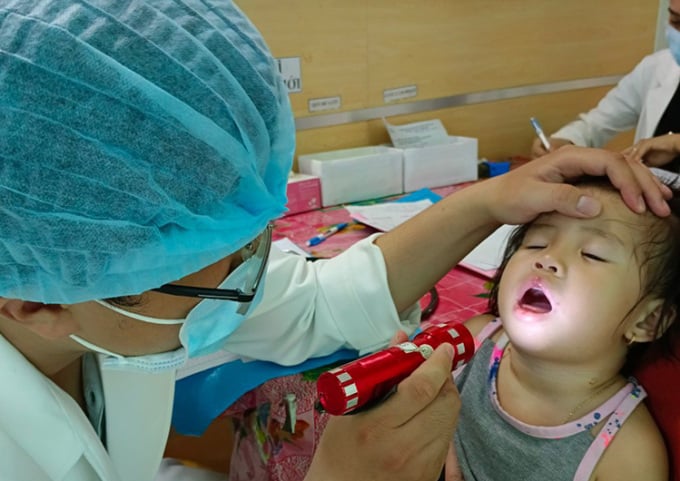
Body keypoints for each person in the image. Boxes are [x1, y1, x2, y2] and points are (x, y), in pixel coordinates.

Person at [0, 2, 671, 481]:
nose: (255, 277)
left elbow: (322, 300)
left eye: (253, 240)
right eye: (224, 272)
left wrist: (493, 200)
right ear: (37, 304)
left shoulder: (101, 297)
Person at [445, 177, 680, 481]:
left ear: (648, 321)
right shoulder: (473, 342)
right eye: (536, 243)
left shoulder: (625, 453)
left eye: (592, 254)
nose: (547, 259)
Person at [530, 0, 680, 163]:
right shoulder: (657, 67)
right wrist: (565, 141)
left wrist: (675, 143)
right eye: (676, 21)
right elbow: (598, 123)